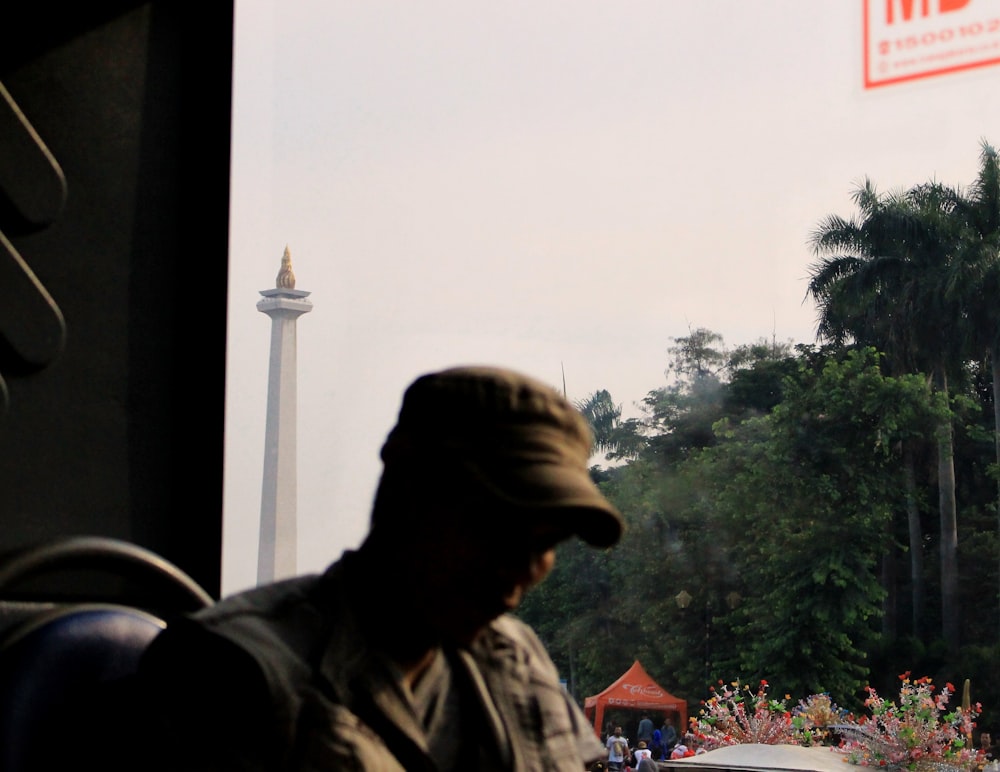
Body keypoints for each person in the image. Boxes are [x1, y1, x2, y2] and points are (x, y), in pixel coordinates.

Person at [123, 366, 626, 771]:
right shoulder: (230, 671)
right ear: (410, 495)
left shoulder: (519, 661)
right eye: (502, 529)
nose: (526, 569)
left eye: (548, 542)